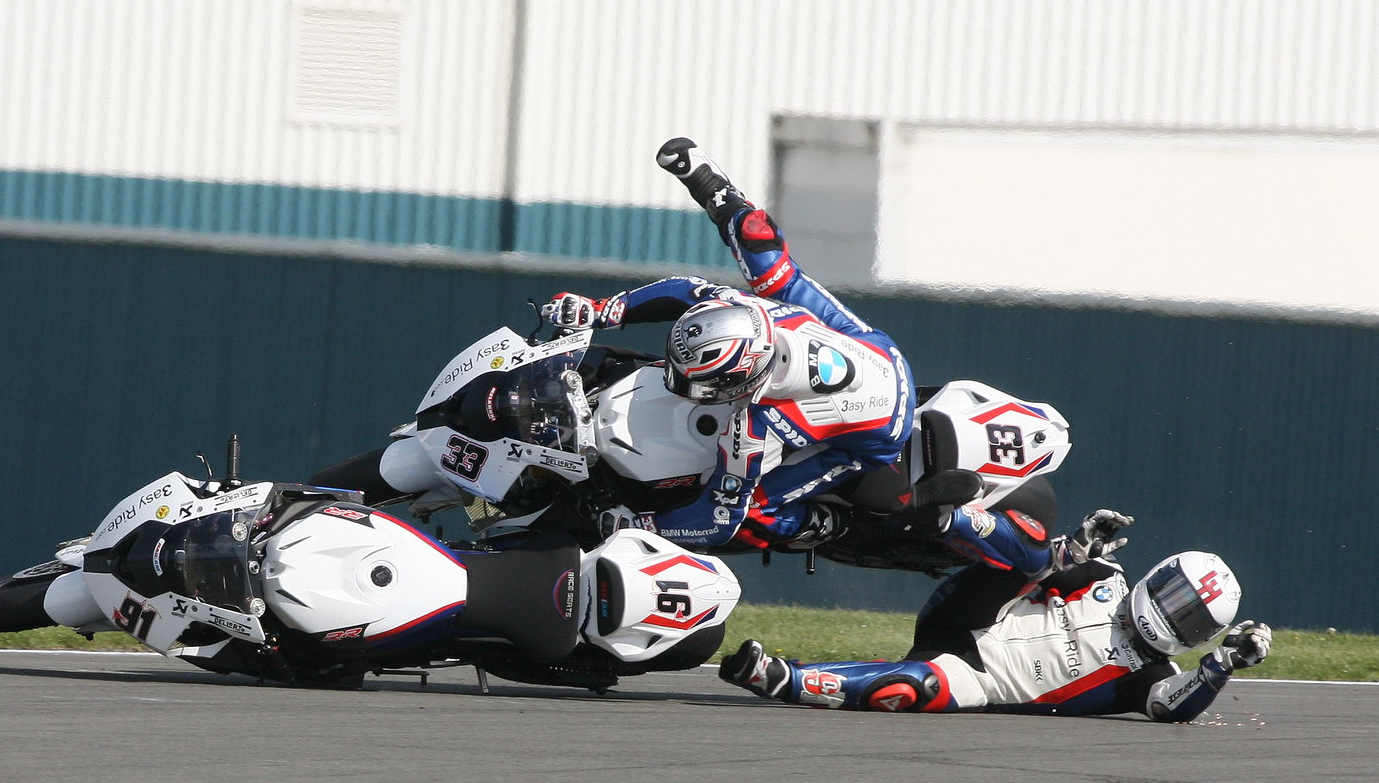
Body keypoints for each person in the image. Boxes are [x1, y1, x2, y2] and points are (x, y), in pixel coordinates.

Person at [543, 138, 928, 551]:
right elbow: (686, 290)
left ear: (743, 384)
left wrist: (637, 524)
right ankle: (712, 182)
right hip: (876, 351)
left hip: (880, 431)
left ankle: (823, 524)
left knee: (755, 512)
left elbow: (717, 519)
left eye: (698, 384)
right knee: (758, 244)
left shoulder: (756, 426)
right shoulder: (754, 312)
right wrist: (601, 311)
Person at [718, 509, 1275, 722]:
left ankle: (782, 678)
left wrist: (1220, 666)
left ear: (1202, 637)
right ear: (1158, 576)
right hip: (970, 616)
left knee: (912, 689)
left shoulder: (1154, 679)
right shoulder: (1107, 578)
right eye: (1175, 597)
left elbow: (1174, 709)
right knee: (1035, 547)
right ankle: (942, 515)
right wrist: (1076, 547)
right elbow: (1037, 568)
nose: (1172, 615)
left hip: (977, 680)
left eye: (1190, 618)